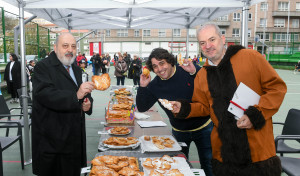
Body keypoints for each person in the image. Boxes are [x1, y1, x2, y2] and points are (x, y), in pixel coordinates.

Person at [171, 24, 287, 176]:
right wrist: (184, 108)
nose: (208, 46)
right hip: (224, 154)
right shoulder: (202, 75)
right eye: (202, 43)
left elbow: (277, 88)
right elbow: (204, 106)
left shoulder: (251, 57)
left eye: (212, 39)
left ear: (223, 39)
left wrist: (256, 114)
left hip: (258, 151)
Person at [136, 48, 213, 176]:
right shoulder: (155, 85)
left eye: (162, 63)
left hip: (204, 128)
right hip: (179, 131)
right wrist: (143, 87)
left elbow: (209, 81)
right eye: (155, 66)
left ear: (170, 62)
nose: (160, 69)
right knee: (178, 167)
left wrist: (195, 71)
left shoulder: (186, 70)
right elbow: (142, 107)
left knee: (209, 164)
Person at [31, 33, 95, 176]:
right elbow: (44, 94)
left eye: (73, 46)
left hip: (74, 138)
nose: (70, 50)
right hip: (53, 140)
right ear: (55, 47)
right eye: (65, 46)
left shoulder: (76, 69)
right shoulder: (43, 67)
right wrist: (75, 96)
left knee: (74, 171)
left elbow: (84, 92)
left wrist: (88, 103)